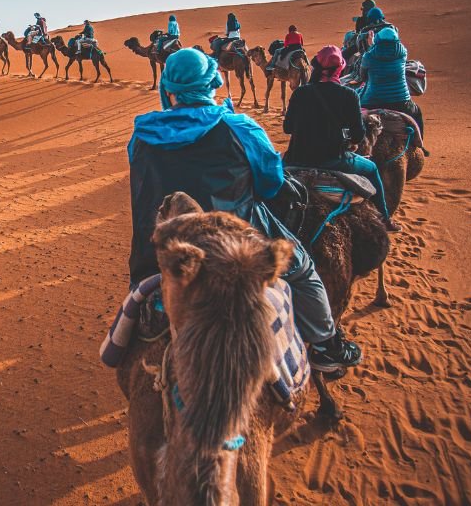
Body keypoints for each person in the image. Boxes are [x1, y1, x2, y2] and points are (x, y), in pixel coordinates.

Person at [127, 48, 361, 372]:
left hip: (158, 250)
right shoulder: (239, 127)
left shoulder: (141, 135)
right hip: (237, 248)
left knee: (141, 293)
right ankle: (326, 347)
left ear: (167, 88)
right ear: (214, 82)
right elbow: (271, 183)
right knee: (304, 272)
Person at [284, 45, 400, 231]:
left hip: (297, 158)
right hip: (334, 160)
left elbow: (287, 128)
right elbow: (358, 135)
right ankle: (385, 218)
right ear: (340, 69)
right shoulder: (349, 95)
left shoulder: (300, 93)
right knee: (371, 169)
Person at [360, 28, 425, 137]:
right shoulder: (402, 53)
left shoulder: (368, 56)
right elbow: (388, 55)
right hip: (401, 101)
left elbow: (363, 76)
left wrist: (371, 45)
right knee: (417, 112)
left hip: (372, 100)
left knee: (355, 113)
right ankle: (419, 144)